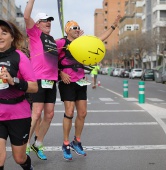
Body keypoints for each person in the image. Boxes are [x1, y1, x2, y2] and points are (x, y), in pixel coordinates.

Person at [56, 15, 121, 160]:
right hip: (67, 82)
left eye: (78, 28)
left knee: (83, 113)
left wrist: (113, 26)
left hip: (80, 80)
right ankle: (65, 143)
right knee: (69, 112)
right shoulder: (61, 42)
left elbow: (99, 39)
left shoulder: (83, 42)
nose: (77, 30)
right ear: (67, 30)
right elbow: (48, 58)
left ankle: (76, 141)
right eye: (74, 28)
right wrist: (60, 73)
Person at [0, 19, 38, 170]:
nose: (0, 36)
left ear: (12, 37)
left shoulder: (19, 57)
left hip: (18, 114)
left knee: (19, 158)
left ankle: (28, 167)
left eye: (4, 33)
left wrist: (13, 80)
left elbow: (34, 87)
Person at [24, 0, 58, 160]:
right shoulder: (35, 35)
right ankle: (24, 144)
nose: (48, 23)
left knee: (49, 115)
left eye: (50, 20)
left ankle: (38, 144)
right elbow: (26, 16)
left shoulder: (52, 39)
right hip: (38, 80)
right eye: (45, 20)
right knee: (36, 113)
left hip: (52, 81)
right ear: (37, 24)